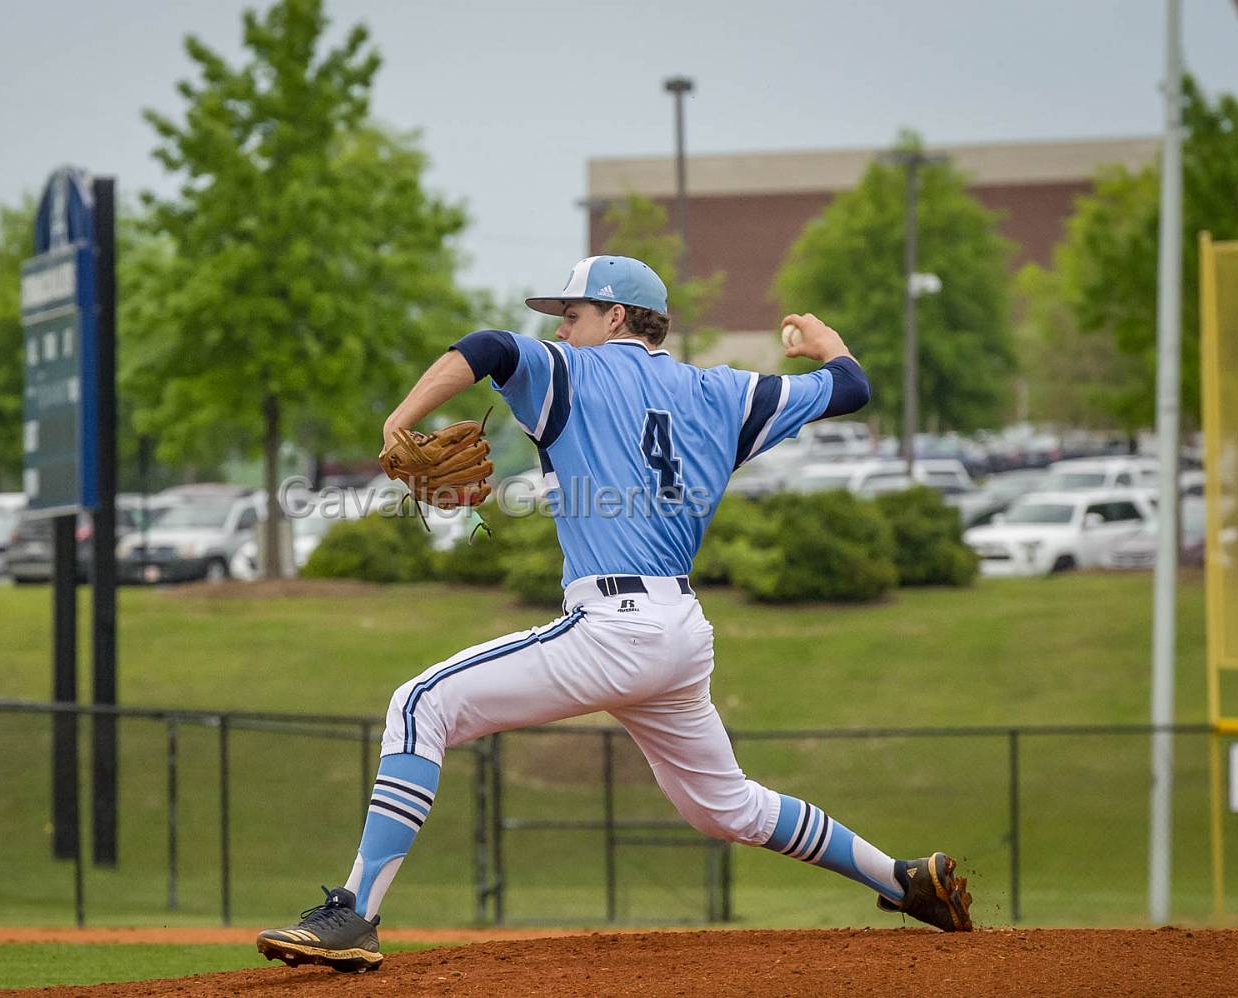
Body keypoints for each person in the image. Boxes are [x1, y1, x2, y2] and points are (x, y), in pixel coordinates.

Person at [257, 255, 972, 973]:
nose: (561, 330)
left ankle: (354, 913)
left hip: (615, 627)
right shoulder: (724, 391)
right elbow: (851, 387)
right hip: (681, 632)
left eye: (572, 315)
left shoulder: (574, 373)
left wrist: (399, 418)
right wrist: (828, 343)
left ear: (617, 317)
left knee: (419, 704)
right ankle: (904, 880)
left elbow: (487, 346)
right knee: (726, 810)